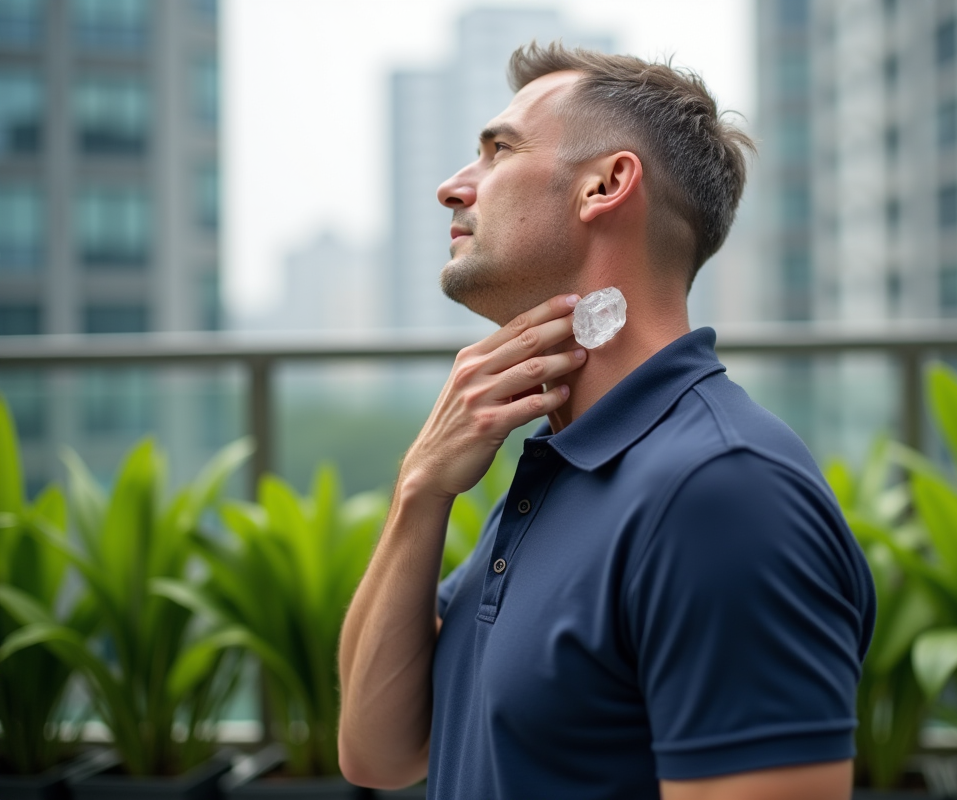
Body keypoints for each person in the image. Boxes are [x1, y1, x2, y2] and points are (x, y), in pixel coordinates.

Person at [337, 43, 876, 800]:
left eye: (498, 151)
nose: (451, 188)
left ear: (606, 185)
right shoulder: (557, 461)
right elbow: (379, 753)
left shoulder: (723, 493)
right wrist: (420, 488)